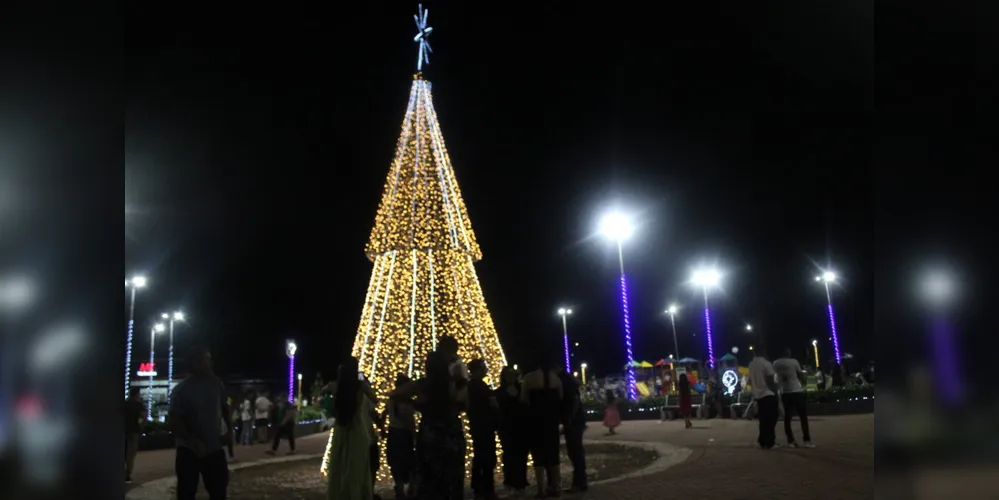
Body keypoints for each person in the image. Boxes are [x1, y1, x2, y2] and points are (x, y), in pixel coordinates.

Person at [395, 350, 467, 500]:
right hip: (450, 431)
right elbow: (463, 402)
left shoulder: (423, 384)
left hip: (430, 432)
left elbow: (396, 393)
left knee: (430, 476)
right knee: (451, 474)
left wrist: (416, 403)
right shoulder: (452, 383)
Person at [168, 345, 230, 500]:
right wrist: (192, 440)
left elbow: (224, 407)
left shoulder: (216, 384)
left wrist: (229, 431)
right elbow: (174, 420)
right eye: (207, 360)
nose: (211, 363)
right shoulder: (182, 390)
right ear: (196, 364)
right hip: (189, 450)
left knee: (219, 490)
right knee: (187, 491)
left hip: (214, 447)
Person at [326, 358, 378, 500]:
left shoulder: (336, 386)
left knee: (339, 465)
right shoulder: (360, 385)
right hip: (357, 429)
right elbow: (375, 399)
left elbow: (324, 398)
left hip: (341, 429)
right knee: (356, 468)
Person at [520, 351, 563, 498]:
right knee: (553, 455)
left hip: (535, 421)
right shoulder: (555, 378)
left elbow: (523, 398)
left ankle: (541, 490)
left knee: (538, 456)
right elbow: (560, 398)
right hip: (551, 422)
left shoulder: (529, 378)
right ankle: (556, 487)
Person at [467, 359, 499, 500]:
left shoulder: (470, 385)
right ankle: (486, 489)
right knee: (486, 457)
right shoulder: (479, 386)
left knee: (480, 456)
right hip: (484, 426)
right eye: (484, 367)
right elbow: (493, 404)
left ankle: (479, 487)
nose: (486, 370)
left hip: (477, 425)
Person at [495, 366, 529, 494]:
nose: (510, 377)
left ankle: (520, 482)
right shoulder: (499, 392)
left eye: (512, 375)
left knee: (521, 456)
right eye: (508, 375)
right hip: (507, 428)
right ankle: (510, 482)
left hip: (521, 427)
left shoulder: (521, 389)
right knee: (509, 456)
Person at [385, 374, 416, 500]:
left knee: (396, 462)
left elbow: (385, 414)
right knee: (410, 461)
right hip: (403, 434)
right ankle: (410, 488)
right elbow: (409, 421)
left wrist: (382, 428)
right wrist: (415, 436)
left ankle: (399, 487)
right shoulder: (406, 402)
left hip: (393, 433)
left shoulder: (391, 399)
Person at [773, 348, 813, 448]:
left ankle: (790, 440)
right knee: (803, 416)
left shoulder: (775, 363)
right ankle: (806, 440)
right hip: (796, 390)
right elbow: (800, 374)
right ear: (788, 353)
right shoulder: (794, 361)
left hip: (784, 391)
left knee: (787, 417)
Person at [559, 368, 588, 493]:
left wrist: (569, 419)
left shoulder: (569, 391)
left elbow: (574, 402)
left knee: (575, 452)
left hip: (573, 423)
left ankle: (579, 482)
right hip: (576, 422)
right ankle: (581, 481)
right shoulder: (571, 388)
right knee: (576, 452)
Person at [748, 347, 780, 450]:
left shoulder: (751, 365)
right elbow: (770, 378)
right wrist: (774, 390)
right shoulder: (766, 363)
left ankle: (762, 440)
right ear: (763, 352)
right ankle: (770, 441)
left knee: (763, 419)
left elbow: (749, 380)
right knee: (772, 418)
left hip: (758, 394)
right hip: (768, 392)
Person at [125, 387, 144, 483]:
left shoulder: (125, 403)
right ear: (137, 394)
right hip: (133, 431)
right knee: (131, 454)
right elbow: (143, 417)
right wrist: (139, 423)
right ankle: (127, 475)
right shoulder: (138, 405)